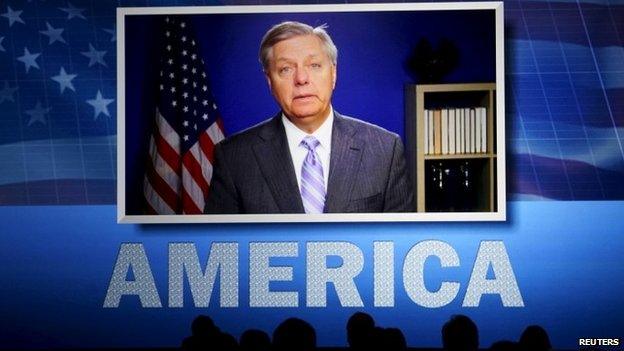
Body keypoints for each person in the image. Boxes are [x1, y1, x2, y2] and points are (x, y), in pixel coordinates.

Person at [205, 21, 414, 214]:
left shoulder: (385, 150)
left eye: (314, 66)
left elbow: (401, 244)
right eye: (286, 69)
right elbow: (221, 249)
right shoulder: (233, 157)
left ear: (333, 74)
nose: (302, 79)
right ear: (270, 81)